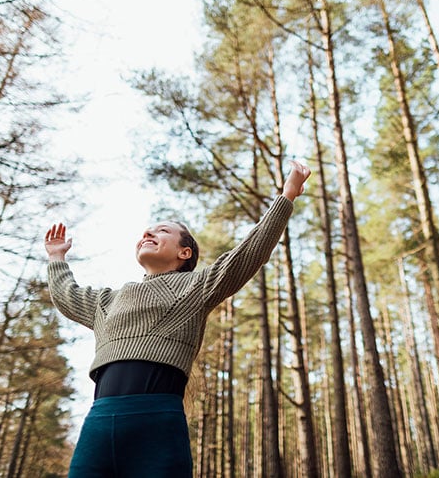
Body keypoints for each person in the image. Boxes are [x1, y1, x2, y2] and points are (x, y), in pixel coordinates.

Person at [44, 161, 311, 478]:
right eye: (148, 230)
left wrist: (287, 195)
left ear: (185, 253)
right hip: (98, 423)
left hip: (157, 421)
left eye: (162, 231)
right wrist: (57, 258)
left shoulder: (196, 287)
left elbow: (247, 253)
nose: (148, 233)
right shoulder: (108, 301)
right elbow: (67, 295)